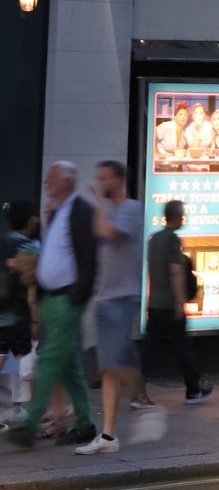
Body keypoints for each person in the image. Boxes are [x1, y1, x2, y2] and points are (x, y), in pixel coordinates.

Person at [5, 162, 98, 448]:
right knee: (69, 365)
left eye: (53, 178)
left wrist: (76, 297)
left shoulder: (82, 211)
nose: (47, 182)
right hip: (51, 299)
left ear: (67, 182)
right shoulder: (58, 212)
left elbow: (88, 258)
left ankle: (29, 426)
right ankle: (85, 424)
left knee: (48, 361)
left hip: (67, 299)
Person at [75, 161, 151, 455]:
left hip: (122, 298)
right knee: (108, 367)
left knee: (117, 363)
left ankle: (145, 403)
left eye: (104, 178)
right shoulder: (111, 211)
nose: (100, 183)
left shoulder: (130, 209)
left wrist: (96, 203)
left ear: (119, 180)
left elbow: (107, 233)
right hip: (106, 298)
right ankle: (108, 435)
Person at [143, 200, 213, 404]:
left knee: (149, 350)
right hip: (170, 306)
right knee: (183, 348)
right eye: (182, 214)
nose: (184, 218)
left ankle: (137, 393)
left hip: (155, 304)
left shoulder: (154, 239)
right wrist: (180, 303)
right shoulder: (173, 240)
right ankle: (193, 390)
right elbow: (175, 272)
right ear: (177, 216)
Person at [0, 202, 38, 432]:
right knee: (26, 362)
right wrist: (35, 320)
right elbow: (30, 284)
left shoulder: (4, 242)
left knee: (6, 358)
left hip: (2, 311)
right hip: (19, 314)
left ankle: (16, 409)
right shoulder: (27, 246)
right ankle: (27, 412)